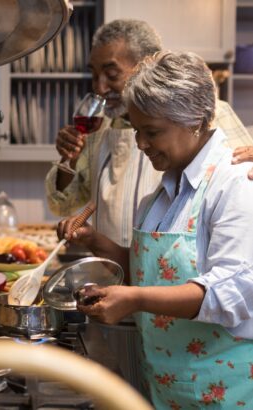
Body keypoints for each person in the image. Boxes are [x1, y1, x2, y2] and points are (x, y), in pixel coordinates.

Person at [58, 51, 253, 409]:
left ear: (194, 121)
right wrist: (96, 242)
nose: (141, 144)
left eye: (152, 132)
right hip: (170, 389)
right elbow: (150, 273)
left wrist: (134, 299)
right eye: (136, 131)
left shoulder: (235, 184)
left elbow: (232, 294)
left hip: (228, 392)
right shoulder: (161, 195)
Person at [45, 19, 253, 247]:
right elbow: (61, 205)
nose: (100, 88)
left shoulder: (206, 114)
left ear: (144, 70)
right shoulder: (99, 128)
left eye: (112, 75)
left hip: (182, 275)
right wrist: (70, 158)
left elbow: (244, 179)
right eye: (94, 75)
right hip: (115, 269)